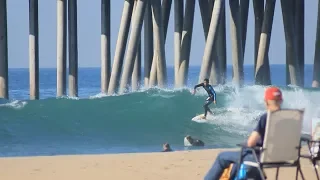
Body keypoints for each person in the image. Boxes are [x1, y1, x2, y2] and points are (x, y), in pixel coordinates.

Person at [204, 86, 283, 180]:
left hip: (260, 157)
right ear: (281, 100)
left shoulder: (266, 117)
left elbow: (251, 143)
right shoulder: (291, 119)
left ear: (266, 101)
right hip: (284, 157)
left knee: (222, 157)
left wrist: (245, 144)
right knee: (240, 159)